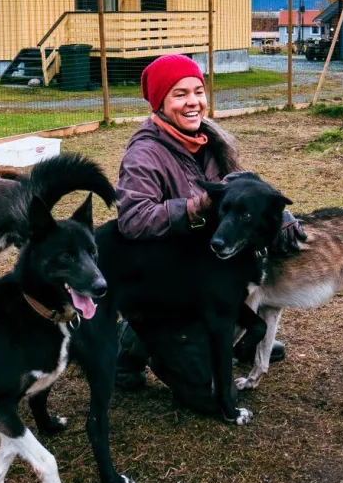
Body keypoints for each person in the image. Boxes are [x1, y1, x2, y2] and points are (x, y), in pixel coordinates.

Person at [113, 54, 300, 387]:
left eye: (198, 91)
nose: (193, 102)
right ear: (160, 103)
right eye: (180, 94)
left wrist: (280, 215)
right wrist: (193, 208)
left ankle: (237, 334)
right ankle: (129, 345)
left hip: (206, 265)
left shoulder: (212, 140)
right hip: (167, 276)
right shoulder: (144, 154)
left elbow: (244, 192)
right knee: (203, 386)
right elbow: (132, 218)